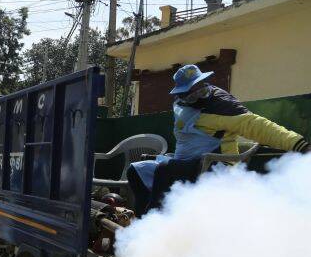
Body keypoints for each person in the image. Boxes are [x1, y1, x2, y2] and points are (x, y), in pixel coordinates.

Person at [127, 64, 310, 216]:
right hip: (186, 163)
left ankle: (155, 226)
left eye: (202, 89)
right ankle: (144, 221)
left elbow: (257, 126)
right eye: (192, 94)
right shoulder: (180, 104)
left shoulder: (221, 106)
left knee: (165, 170)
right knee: (136, 171)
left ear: (206, 83)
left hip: (216, 164)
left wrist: (297, 143)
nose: (200, 95)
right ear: (181, 95)